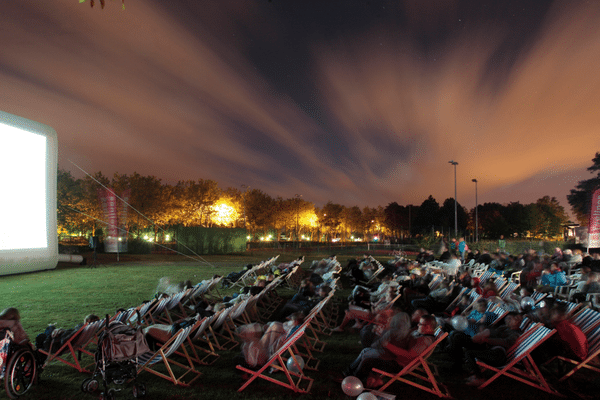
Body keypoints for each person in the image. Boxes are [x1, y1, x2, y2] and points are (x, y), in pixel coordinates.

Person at [463, 312, 524, 386]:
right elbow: (493, 332)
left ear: (518, 321)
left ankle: (480, 378)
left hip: (498, 356)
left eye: (511, 319)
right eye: (508, 318)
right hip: (492, 350)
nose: (508, 320)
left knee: (469, 353)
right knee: (467, 346)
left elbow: (506, 342)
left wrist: (487, 340)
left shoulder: (515, 333)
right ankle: (473, 372)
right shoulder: (504, 327)